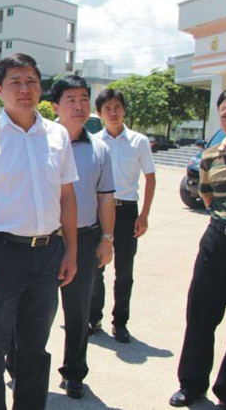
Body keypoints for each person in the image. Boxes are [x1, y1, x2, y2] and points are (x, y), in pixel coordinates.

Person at [0, 53, 78, 410]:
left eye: (31, 81)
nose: (25, 89)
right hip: (1, 255)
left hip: (47, 254)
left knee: (34, 347)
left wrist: (71, 252)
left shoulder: (57, 135)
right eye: (16, 82)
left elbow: (67, 196)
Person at [169, 86, 226, 409]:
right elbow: (208, 198)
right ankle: (191, 384)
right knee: (200, 314)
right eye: (225, 115)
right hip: (216, 242)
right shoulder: (210, 157)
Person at [50, 75, 115, 398]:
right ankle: (18, 365)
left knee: (78, 311)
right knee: (31, 309)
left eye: (84, 100)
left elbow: (106, 197)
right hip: (44, 239)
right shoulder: (40, 142)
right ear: (55, 106)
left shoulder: (99, 148)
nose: (79, 106)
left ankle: (74, 373)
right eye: (71, 100)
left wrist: (107, 239)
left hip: (86, 237)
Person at [89, 88, 156, 343]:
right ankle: (93, 318)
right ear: (99, 114)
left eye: (117, 107)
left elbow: (150, 178)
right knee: (96, 268)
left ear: (124, 110)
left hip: (128, 211)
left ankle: (120, 322)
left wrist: (144, 215)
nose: (113, 113)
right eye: (107, 109)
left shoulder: (139, 141)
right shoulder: (95, 141)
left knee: (124, 271)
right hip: (100, 209)